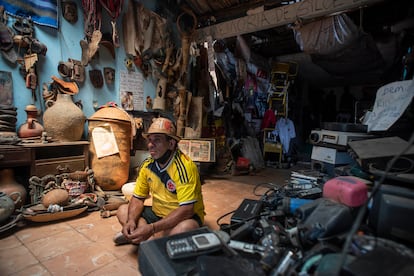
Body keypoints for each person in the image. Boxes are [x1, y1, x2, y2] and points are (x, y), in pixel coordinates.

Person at [113, 117, 205, 245]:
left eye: (157, 140)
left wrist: (152, 228)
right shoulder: (147, 165)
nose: (151, 145)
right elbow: (138, 198)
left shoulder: (185, 167)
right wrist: (131, 221)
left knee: (185, 229)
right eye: (150, 140)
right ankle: (146, 237)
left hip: (184, 218)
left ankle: (142, 237)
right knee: (123, 211)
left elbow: (187, 210)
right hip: (157, 214)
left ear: (171, 144)